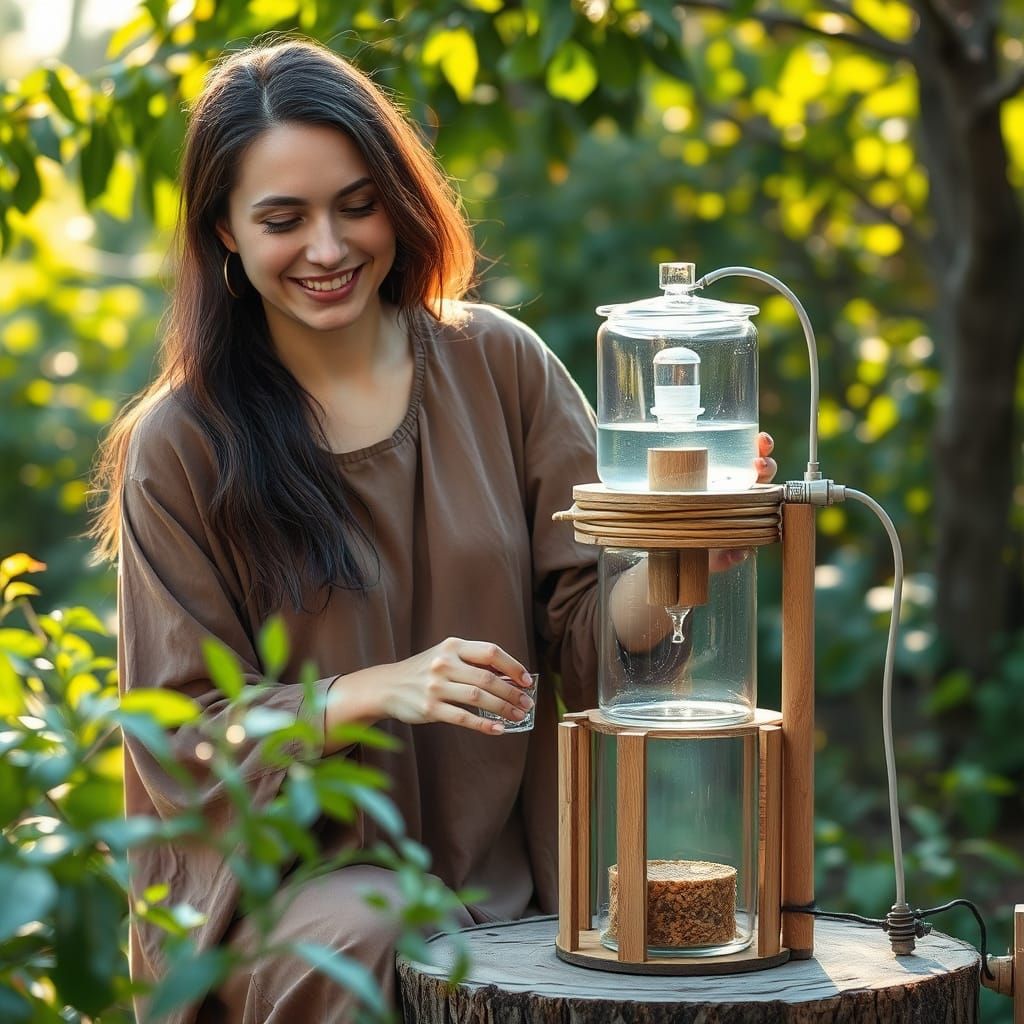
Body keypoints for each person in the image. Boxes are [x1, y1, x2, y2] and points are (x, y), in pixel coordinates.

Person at [92, 37, 777, 1024]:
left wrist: (676, 563)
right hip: (288, 899)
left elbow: (587, 640)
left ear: (397, 201)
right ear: (224, 234)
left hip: (509, 879)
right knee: (376, 925)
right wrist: (376, 691)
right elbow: (182, 735)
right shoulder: (181, 444)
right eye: (284, 219)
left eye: (355, 205)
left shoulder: (499, 365)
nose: (327, 249)